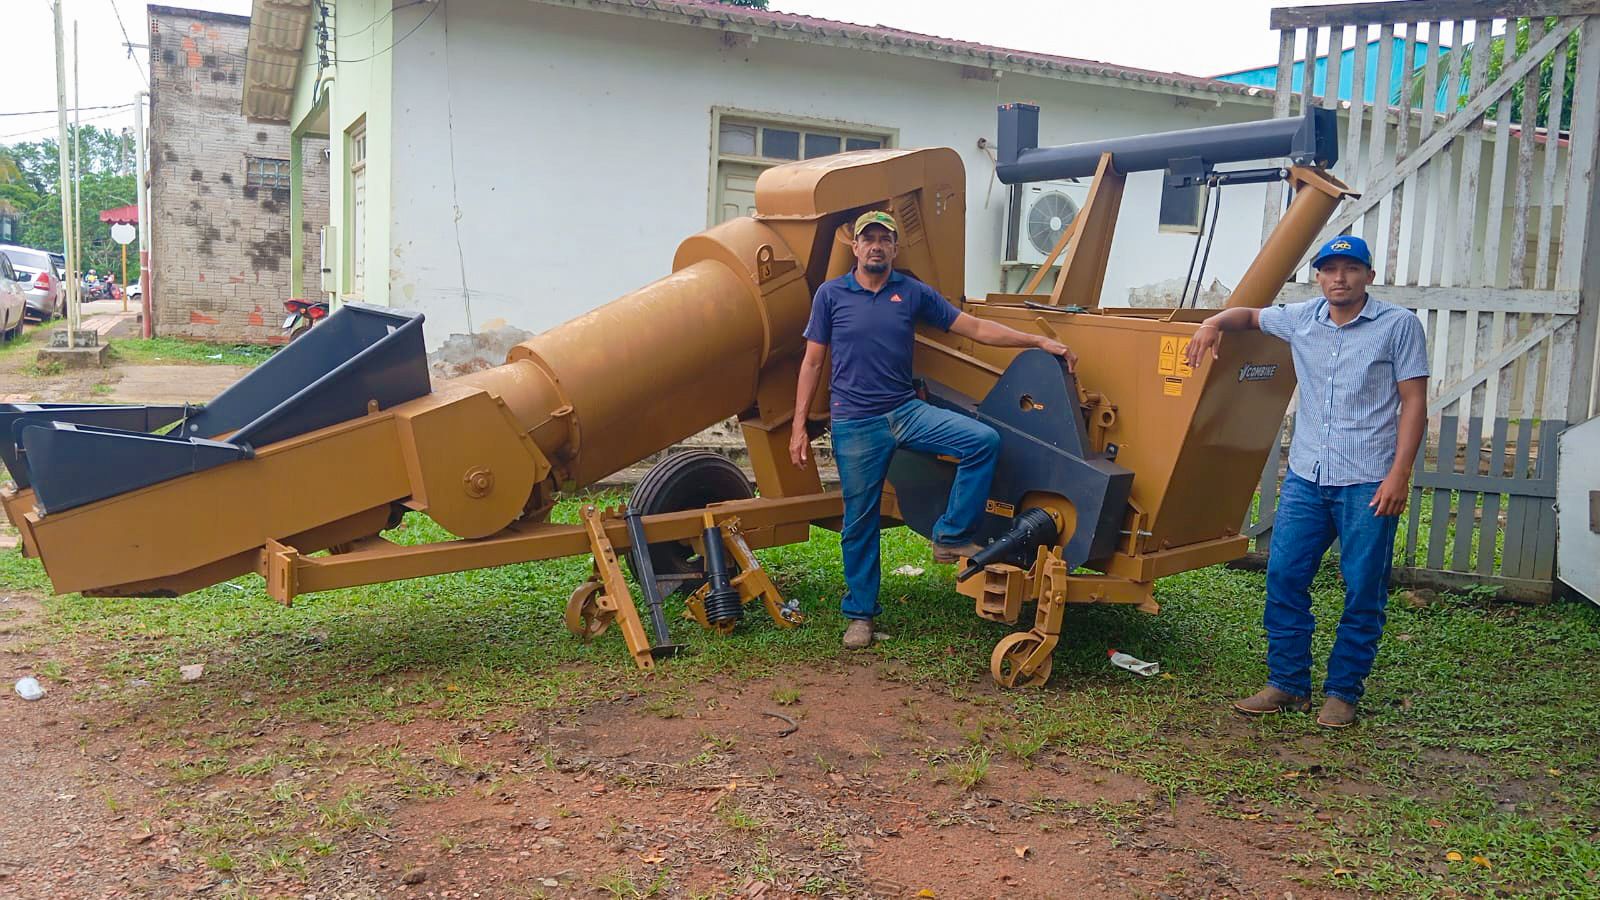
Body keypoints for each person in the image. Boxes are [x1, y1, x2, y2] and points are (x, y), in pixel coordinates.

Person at [790, 210, 1078, 650]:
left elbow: (975, 328)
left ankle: (949, 533)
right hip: (854, 423)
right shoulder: (831, 295)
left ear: (894, 247)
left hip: (905, 411)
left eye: (884, 239)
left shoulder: (911, 293)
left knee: (981, 442)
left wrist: (1037, 341)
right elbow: (812, 362)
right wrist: (798, 426)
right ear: (855, 246)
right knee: (860, 522)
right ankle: (861, 616)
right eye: (868, 239)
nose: (876, 246)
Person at [1183, 235, 1428, 728]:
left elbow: (1414, 403)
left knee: (1362, 588)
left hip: (1368, 481)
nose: (1340, 278)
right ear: (1317, 276)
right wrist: (1211, 323)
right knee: (1285, 577)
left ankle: (1342, 692)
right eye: (1330, 269)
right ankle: (1287, 684)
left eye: (1351, 268)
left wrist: (1399, 474)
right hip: (1307, 478)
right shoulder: (1301, 318)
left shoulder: (1398, 326)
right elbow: (1249, 317)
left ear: (1368, 277)